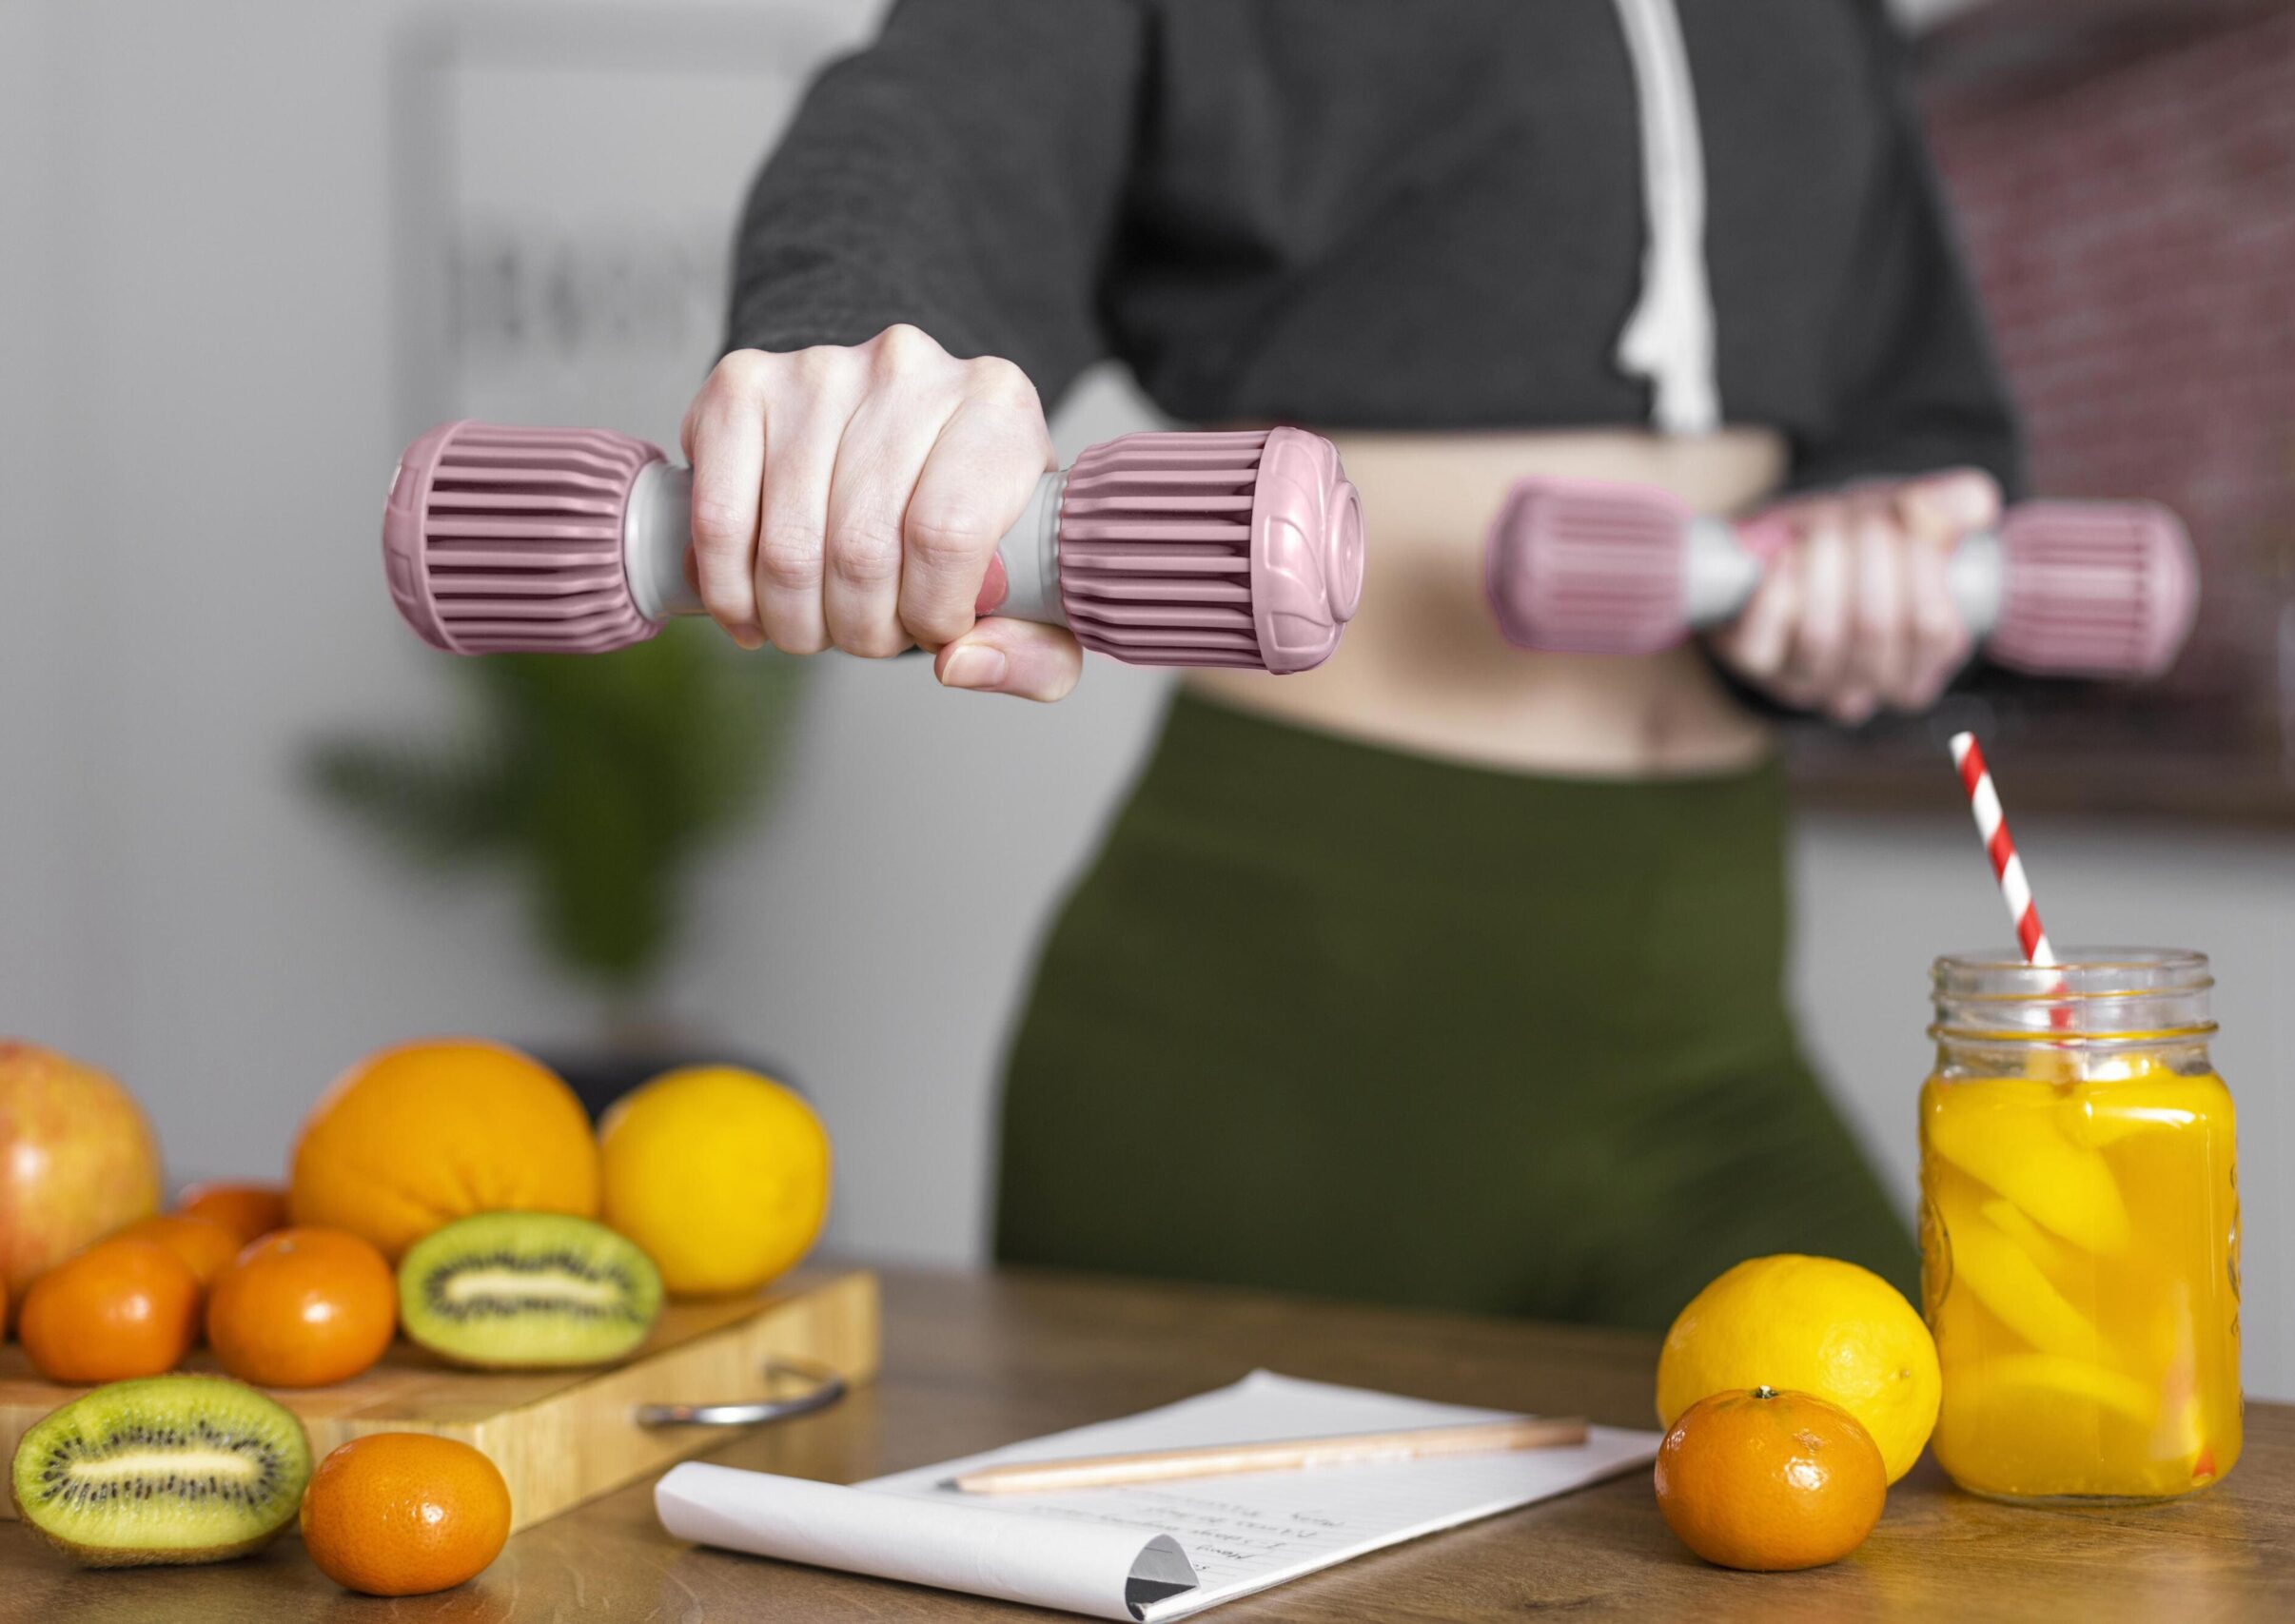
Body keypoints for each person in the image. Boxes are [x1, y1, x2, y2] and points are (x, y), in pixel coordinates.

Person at [683, 0, 2020, 1329]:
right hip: (1289, 996)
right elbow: (955, 115)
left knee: (1953, 1448)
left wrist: (1877, 553)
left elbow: (1916, 413)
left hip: (1713, 986)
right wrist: (858, 354)